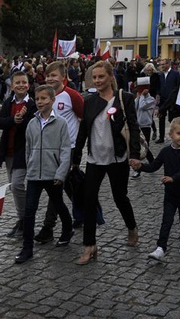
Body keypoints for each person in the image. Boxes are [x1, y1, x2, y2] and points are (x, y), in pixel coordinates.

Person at [73, 60, 140, 265]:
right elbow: (83, 129)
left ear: (111, 77)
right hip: (95, 158)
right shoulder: (89, 101)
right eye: (94, 77)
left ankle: (131, 227)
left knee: (120, 197)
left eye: (101, 76)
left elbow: (134, 127)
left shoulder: (124, 98)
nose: (98, 81)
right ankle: (89, 245)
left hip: (117, 158)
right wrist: (76, 156)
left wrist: (134, 154)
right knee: (89, 200)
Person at [15, 85, 73, 264]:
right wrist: (30, 166)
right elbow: (28, 149)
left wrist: (61, 173)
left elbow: (65, 150)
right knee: (29, 212)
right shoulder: (32, 123)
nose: (40, 102)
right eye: (37, 99)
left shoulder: (61, 123)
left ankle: (67, 228)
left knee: (58, 203)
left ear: (52, 100)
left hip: (53, 174)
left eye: (44, 98)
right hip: (34, 175)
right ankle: (27, 248)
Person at [33, 60, 85, 243]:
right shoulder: (45, 96)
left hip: (68, 148)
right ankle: (82, 212)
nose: (50, 78)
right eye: (48, 75)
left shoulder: (72, 95)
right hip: (49, 148)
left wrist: (78, 147)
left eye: (54, 75)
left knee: (56, 185)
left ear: (64, 77)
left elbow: (83, 118)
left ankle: (48, 226)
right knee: (69, 185)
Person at [129, 117, 180, 260]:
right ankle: (161, 247)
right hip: (170, 194)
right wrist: (141, 166)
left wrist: (173, 178)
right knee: (167, 220)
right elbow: (154, 166)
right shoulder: (165, 151)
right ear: (171, 134)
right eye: (179, 133)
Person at [0, 71, 37, 238]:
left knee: (17, 184)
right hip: (9, 152)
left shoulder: (32, 104)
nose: (21, 85)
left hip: (23, 152)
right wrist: (14, 119)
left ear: (29, 85)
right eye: (17, 82)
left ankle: (26, 220)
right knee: (14, 187)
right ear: (12, 86)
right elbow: (0, 122)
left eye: (24, 82)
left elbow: (33, 125)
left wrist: (21, 121)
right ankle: (22, 221)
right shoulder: (8, 103)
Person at [156, 58, 180, 144]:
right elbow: (159, 86)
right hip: (162, 99)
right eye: (160, 64)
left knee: (172, 119)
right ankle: (161, 137)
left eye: (163, 64)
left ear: (168, 64)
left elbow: (178, 86)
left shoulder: (175, 74)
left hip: (172, 100)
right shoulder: (160, 75)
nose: (161, 66)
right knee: (161, 118)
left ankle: (175, 137)